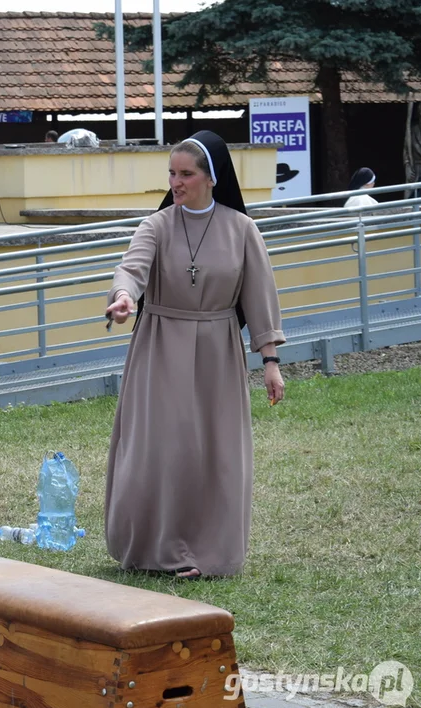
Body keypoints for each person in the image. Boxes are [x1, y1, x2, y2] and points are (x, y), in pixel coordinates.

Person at [104, 130, 286, 579]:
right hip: (160, 344)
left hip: (217, 351)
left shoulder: (242, 229)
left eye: (186, 174)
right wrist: (124, 296)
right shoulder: (157, 225)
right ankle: (153, 548)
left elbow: (260, 297)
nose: (176, 182)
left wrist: (270, 362)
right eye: (171, 172)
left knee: (214, 451)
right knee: (162, 448)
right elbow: (132, 267)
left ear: (211, 177)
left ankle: (208, 553)